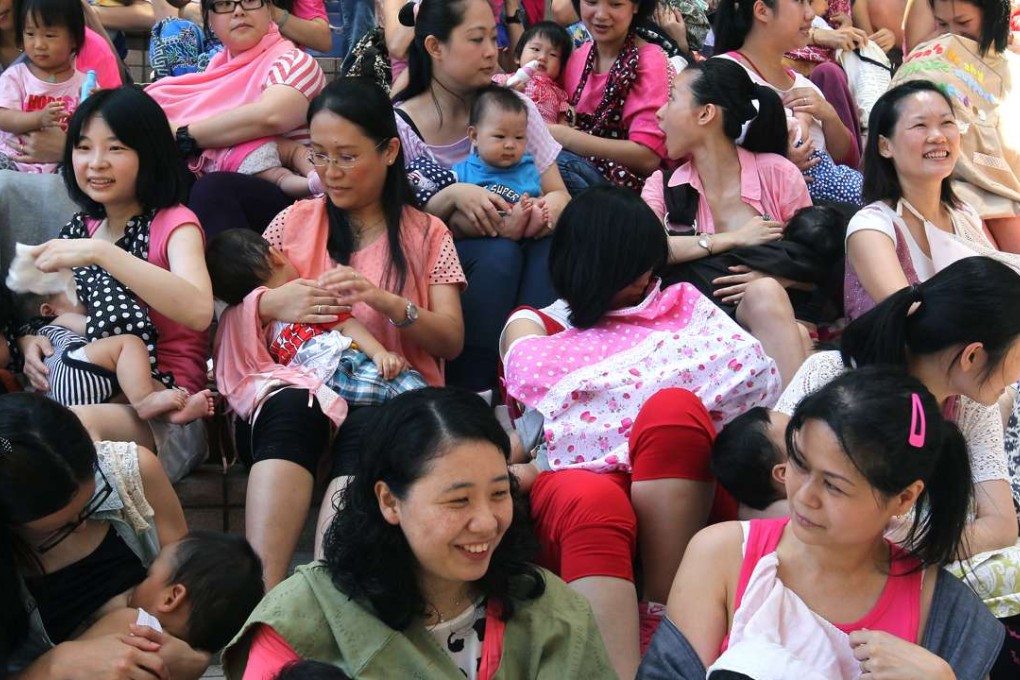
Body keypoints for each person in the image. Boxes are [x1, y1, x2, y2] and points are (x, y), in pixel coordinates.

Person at [500, 185, 781, 679]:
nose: (650, 279)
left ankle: (665, 614)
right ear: (596, 266)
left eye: (653, 267)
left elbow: (744, 370)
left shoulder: (677, 306)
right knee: (593, 497)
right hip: (579, 489)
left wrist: (634, 405)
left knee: (672, 408)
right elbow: (536, 405)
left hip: (686, 479)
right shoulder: (535, 327)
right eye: (637, 269)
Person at [213, 76, 465, 589]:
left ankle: (327, 590)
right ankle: (260, 592)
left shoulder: (426, 232)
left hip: (383, 394)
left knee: (369, 434)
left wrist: (387, 302)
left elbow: (450, 340)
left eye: (347, 156)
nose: (330, 172)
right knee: (293, 407)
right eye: (320, 156)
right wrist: (270, 303)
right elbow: (236, 317)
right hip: (292, 392)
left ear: (390, 150)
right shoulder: (291, 222)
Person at [222, 387, 616, 679]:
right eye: (458, 501)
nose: (487, 522)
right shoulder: (304, 615)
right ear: (390, 502)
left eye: (499, 493)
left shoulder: (553, 612)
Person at [639, 367, 1004, 679]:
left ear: (904, 498)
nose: (803, 496)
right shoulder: (721, 555)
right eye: (798, 462)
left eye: (833, 485)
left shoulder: (944, 612)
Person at [17, 86, 214, 482]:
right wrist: (32, 341)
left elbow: (198, 311)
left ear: (150, 153)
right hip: (88, 386)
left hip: (167, 409)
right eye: (84, 147)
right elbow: (58, 311)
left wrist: (103, 253)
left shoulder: (175, 224)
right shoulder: (82, 227)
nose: (96, 164)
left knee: (67, 431)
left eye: (116, 149)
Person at [391, 0, 570, 392]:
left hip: (525, 241)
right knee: (498, 255)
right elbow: (399, 224)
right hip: (440, 268)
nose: (493, 50)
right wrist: (453, 195)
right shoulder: (400, 127)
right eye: (477, 39)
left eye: (493, 36)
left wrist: (542, 210)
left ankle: (532, 384)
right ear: (435, 47)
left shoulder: (515, 109)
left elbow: (559, 193)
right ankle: (473, 390)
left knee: (551, 243)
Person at [0, 392, 210, 679]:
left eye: (91, 504)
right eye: (61, 528)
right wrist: (54, 667)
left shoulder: (130, 476)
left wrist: (195, 657)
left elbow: (198, 597)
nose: (83, 525)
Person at [644, 58, 816, 385]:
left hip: (770, 323)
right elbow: (647, 253)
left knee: (769, 298)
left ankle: (786, 425)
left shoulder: (778, 175)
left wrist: (779, 279)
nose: (659, 113)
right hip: (689, 336)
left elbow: (817, 262)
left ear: (706, 113)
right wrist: (733, 239)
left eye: (672, 98)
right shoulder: (661, 187)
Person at [144, 0, 326, 236]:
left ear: (269, 8)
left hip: (293, 201)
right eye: (225, 3)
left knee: (214, 188)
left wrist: (182, 133)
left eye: (250, 0)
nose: (238, 11)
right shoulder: (209, 74)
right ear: (210, 19)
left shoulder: (295, 62)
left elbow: (271, 116)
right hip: (215, 200)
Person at [845, 80, 1018, 321]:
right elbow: (909, 318)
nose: (938, 136)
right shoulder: (872, 227)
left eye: (947, 123)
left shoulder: (964, 215)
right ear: (885, 146)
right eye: (920, 125)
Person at [207, 228, 429, 406]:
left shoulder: (298, 297)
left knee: (411, 396)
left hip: (341, 367)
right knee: (409, 393)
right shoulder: (261, 319)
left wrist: (380, 354)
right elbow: (345, 324)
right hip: (317, 389)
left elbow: (344, 322)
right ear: (274, 256)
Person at [897, 0, 1020, 253]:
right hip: (949, 188)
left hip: (1001, 187)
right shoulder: (926, 64)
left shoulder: (1009, 66)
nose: (951, 33)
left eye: (963, 23)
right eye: (942, 23)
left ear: (993, 17)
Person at [713, 0, 864, 205]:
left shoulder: (804, 85)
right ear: (762, 11)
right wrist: (775, 165)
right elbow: (709, 156)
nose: (810, 14)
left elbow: (847, 162)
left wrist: (829, 115)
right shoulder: (723, 73)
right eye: (800, 2)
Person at [10, 286, 214, 422]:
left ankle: (172, 415)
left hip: (60, 398)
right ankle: (146, 401)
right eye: (79, 292)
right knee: (129, 344)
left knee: (136, 381)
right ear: (48, 311)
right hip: (71, 364)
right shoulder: (61, 321)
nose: (88, 296)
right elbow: (99, 330)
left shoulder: (37, 339)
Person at [77, 531, 265, 654]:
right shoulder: (179, 666)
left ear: (171, 598)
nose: (138, 583)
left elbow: (58, 660)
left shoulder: (131, 624)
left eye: (148, 575)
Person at [551, 0, 670, 192]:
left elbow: (648, 157)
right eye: (591, 2)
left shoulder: (649, 62)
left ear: (636, 6)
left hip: (625, 195)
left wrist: (568, 137)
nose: (601, 15)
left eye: (615, 4)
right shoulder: (578, 57)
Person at [0, 0, 90, 174]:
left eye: (49, 35)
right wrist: (38, 119)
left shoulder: (84, 84)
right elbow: (3, 117)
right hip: (13, 160)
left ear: (74, 39)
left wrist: (96, 105)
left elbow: (92, 133)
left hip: (59, 165)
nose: (39, 44)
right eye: (30, 34)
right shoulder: (15, 76)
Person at [452, 85, 550, 237]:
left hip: (520, 216)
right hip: (486, 230)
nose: (510, 145)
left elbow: (540, 193)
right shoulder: (463, 171)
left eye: (519, 137)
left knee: (537, 205)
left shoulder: (526, 167)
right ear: (474, 136)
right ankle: (506, 228)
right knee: (459, 218)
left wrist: (535, 203)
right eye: (500, 136)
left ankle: (526, 227)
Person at [492, 21, 572, 125]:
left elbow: (563, 123)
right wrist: (505, 89)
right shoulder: (505, 79)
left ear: (561, 68)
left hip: (544, 137)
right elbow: (487, 99)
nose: (542, 57)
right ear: (517, 57)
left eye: (553, 54)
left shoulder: (559, 94)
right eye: (535, 49)